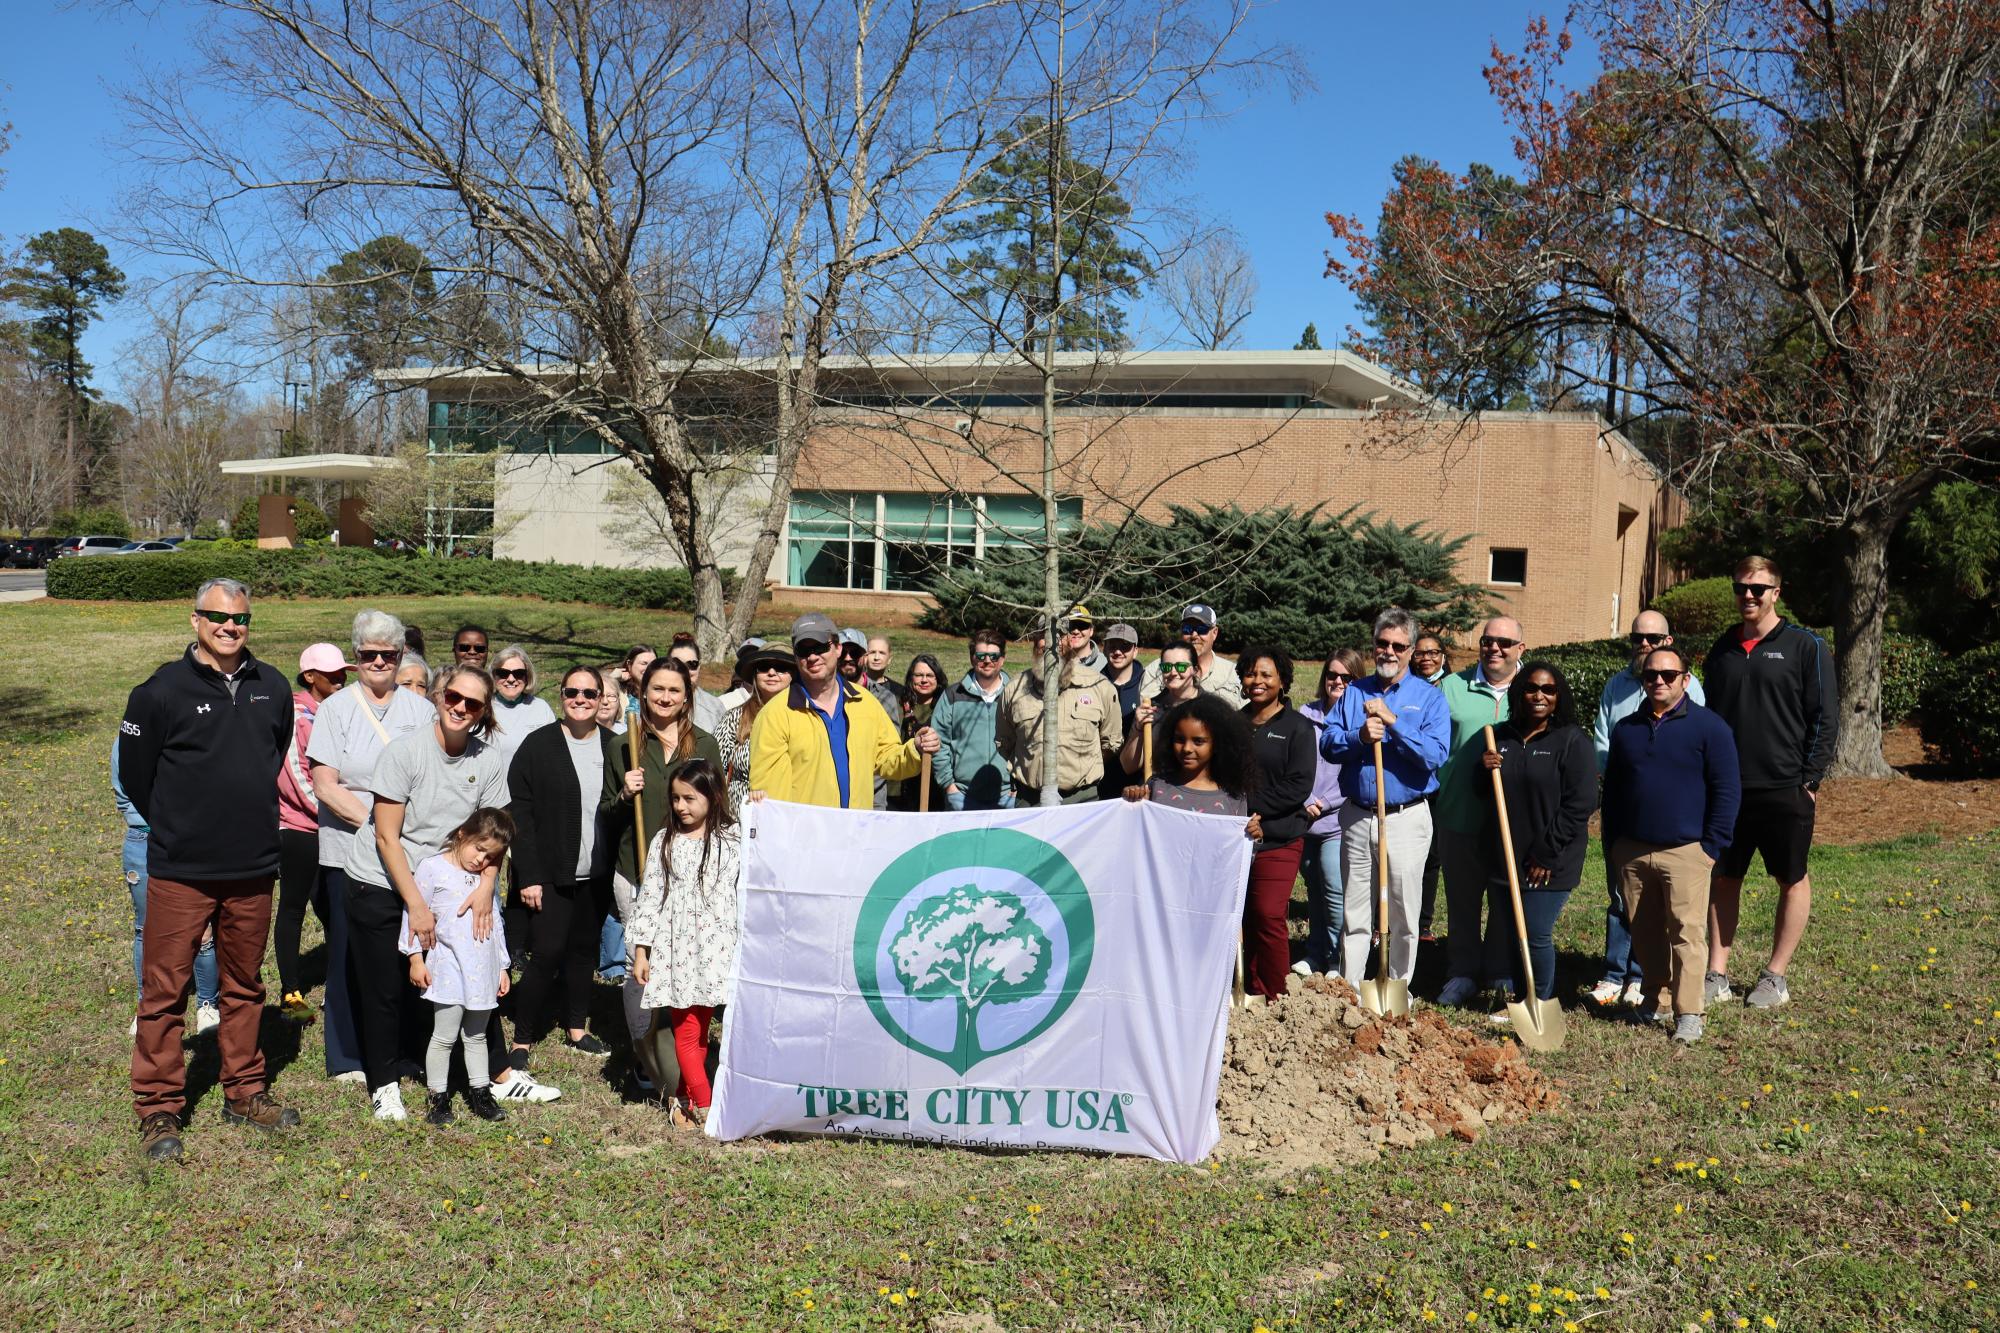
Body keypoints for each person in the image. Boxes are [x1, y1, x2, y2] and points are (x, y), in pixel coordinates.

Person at [121, 577, 300, 1161]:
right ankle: (159, 1106)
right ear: (194, 620)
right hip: (181, 869)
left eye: (241, 619)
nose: (230, 628)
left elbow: (271, 756)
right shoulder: (158, 691)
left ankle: (244, 1090)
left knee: (243, 985)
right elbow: (137, 775)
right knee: (164, 991)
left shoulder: (271, 687)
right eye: (218, 617)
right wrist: (179, 826)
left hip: (252, 866)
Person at [346, 662, 557, 1120]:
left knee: (477, 966)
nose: (460, 707)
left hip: (454, 880)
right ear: (440, 696)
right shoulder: (405, 752)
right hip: (384, 877)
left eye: (473, 703)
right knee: (386, 985)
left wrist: (486, 887)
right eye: (453, 697)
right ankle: (385, 1083)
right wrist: (416, 907)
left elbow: (499, 831)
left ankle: (497, 1075)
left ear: (484, 711)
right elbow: (387, 837)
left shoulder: (487, 760)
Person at [1702, 555, 1837, 1010]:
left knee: (1791, 878)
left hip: (1785, 788)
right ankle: (1716, 973)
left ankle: (1774, 976)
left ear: (1776, 592)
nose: (1749, 595)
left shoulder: (1806, 646)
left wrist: (1810, 779)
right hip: (1728, 789)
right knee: (1723, 878)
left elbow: (1825, 717)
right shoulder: (1721, 649)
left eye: (1759, 588)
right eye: (1741, 587)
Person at [307, 610, 435, 1084]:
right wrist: (380, 825)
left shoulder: (421, 711)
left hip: (407, 856)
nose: (379, 661)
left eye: (388, 654)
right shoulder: (336, 709)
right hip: (349, 851)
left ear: (401, 656)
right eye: (368, 654)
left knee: (404, 953)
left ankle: (403, 1049)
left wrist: (402, 835)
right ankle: (345, 1055)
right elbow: (325, 784)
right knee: (347, 953)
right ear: (355, 656)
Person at [1602, 646, 1741, 1044]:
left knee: (1686, 933)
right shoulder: (1627, 729)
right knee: (1643, 933)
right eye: (1650, 676)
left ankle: (1689, 1012)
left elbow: (1727, 790)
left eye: (1668, 674)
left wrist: (1711, 846)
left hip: (1687, 851)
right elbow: (1612, 792)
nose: (1658, 681)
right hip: (1632, 850)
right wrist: (1614, 844)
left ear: (1686, 678)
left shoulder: (1710, 728)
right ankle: (1655, 997)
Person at [1321, 608, 1451, 992]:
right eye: (1382, 643)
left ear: (1411, 651)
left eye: (1398, 645)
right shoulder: (1354, 693)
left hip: (1406, 819)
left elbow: (1434, 755)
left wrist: (1393, 722)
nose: (1389, 652)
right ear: (1373, 645)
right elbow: (1329, 742)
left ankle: (1396, 987)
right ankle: (1349, 988)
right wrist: (1360, 736)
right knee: (1356, 910)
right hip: (1359, 816)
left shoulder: (1429, 699)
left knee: (1404, 910)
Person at [604, 658, 722, 1067]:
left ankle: (683, 1048)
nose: (665, 698)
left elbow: (718, 809)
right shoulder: (624, 746)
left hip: (689, 874)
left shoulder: (705, 745)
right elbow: (605, 813)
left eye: (674, 690)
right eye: (658, 689)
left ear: (687, 696)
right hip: (636, 871)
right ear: (642, 692)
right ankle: (645, 1052)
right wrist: (623, 793)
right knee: (643, 962)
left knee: (682, 960)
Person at [1588, 610, 1707, 1008]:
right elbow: (1603, 742)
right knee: (1622, 893)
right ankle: (1614, 973)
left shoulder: (1692, 687)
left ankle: (1645, 976)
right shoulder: (1615, 687)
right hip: (1623, 808)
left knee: (1661, 902)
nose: (1644, 644)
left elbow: (1696, 744)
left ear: (1668, 641)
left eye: (1653, 638)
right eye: (1637, 637)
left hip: (1671, 816)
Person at [506, 666, 617, 1064]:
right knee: (548, 951)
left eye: (590, 693)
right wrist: (529, 875)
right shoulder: (538, 746)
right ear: (562, 696)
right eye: (573, 692)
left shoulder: (615, 745)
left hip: (596, 870)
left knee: (584, 951)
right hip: (551, 873)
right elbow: (520, 812)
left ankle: (575, 1026)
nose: (581, 699)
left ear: (602, 697)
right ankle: (522, 1037)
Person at [1477, 663, 1597, 1019]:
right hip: (1507, 855)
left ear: (1559, 697)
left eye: (1548, 690)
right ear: (1519, 694)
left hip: (1551, 858)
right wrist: (1482, 770)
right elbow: (1485, 795)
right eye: (1531, 688)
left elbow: (1582, 803)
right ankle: (1519, 997)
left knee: (1534, 930)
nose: (1539, 696)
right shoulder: (1499, 736)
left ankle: (1539, 1002)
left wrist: (1546, 853)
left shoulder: (1573, 742)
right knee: (1516, 930)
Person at [630, 759, 742, 1127]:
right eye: (676, 798)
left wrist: (761, 801)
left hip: (717, 949)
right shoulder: (665, 840)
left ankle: (686, 1098)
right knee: (686, 1028)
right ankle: (708, 1106)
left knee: (701, 1026)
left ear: (713, 796)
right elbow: (650, 896)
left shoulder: (735, 839)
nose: (681, 806)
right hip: (677, 947)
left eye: (690, 798)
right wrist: (642, 950)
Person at [1432, 618, 1528, 1007]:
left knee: (1506, 899)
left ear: (1521, 648)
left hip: (1515, 820)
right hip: (1461, 815)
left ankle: (1501, 970)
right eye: (1488, 641)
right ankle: (1462, 972)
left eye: (1505, 642)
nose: (1495, 648)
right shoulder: (1451, 689)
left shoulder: (1532, 689)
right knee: (1463, 899)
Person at [749, 613, 937, 807]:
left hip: (857, 831)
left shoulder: (865, 703)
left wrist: (915, 748)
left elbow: (887, 759)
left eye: (821, 647)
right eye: (803, 650)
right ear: (796, 656)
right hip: (805, 834)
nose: (812, 657)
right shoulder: (775, 715)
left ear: (838, 649)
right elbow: (771, 797)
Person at [401, 808, 515, 1126]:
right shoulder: (432, 868)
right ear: (463, 834)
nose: (481, 860)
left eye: (489, 856)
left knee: (476, 1035)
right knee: (445, 1036)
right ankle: (438, 1098)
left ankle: (480, 1093)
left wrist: (502, 966)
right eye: (479, 849)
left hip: (483, 968)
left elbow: (495, 922)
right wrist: (414, 958)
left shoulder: (484, 881)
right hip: (448, 966)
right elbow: (413, 915)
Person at [115, 737, 219, 1040]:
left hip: (192, 839)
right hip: (144, 839)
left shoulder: (191, 733)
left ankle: (207, 1004)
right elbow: (124, 791)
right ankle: (145, 1005)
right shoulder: (129, 737)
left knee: (202, 927)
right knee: (145, 928)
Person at [1236, 645, 1318, 1001]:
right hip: (1235, 836)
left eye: (1266, 674)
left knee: (1267, 914)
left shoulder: (1297, 727)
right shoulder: (1234, 724)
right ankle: (1245, 986)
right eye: (1251, 673)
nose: (1257, 681)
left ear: (1282, 680)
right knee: (1239, 918)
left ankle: (1277, 994)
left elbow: (1298, 786)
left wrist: (1256, 812)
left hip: (1279, 837)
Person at [275, 643, 349, 1016]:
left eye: (343, 673)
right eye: (332, 674)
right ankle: (291, 993)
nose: (341, 679)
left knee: (334, 906)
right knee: (293, 907)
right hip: (301, 829)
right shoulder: (296, 715)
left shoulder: (335, 711)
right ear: (310, 677)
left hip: (335, 826)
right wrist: (336, 811)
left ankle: (341, 979)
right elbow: (297, 780)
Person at [997, 621, 1122, 804]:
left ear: (1070, 640)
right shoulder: (1014, 690)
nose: (1049, 643)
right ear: (1034, 641)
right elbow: (1005, 743)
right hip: (1030, 800)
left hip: (1082, 800)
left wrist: (1079, 767)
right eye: (1042, 636)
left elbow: (1110, 743)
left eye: (1059, 636)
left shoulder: (1099, 687)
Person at [1294, 649, 1362, 977]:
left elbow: (1356, 771)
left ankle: (1339, 957)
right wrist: (1306, 798)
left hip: (1337, 819)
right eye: (1332, 675)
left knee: (1334, 888)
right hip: (1306, 817)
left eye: (1346, 677)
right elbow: (1295, 761)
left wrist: (1324, 802)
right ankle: (1315, 952)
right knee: (1314, 888)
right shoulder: (1306, 715)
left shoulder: (1360, 720)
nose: (1337, 681)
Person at [1121, 696, 1262, 835]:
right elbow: (1135, 835)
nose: (1187, 748)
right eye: (1180, 739)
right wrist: (1132, 802)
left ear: (1218, 744)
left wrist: (1252, 836)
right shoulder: (1156, 786)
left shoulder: (1234, 796)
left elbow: (1234, 851)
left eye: (1198, 741)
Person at [932, 630, 1014, 811]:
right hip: (962, 796)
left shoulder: (1015, 695)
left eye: (993, 656)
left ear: (1002, 659)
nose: (987, 661)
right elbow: (939, 743)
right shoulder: (953, 696)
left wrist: (1015, 789)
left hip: (1007, 797)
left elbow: (1025, 743)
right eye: (981, 655)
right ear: (972, 658)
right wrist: (949, 787)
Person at [717, 645, 794, 812]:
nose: (772, 672)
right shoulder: (734, 718)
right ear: (755, 675)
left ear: (793, 675)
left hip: (789, 817)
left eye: (781, 668)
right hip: (739, 821)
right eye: (764, 667)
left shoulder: (805, 718)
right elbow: (714, 770)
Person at [1410, 632, 1448, 939]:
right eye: (1421, 653)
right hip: (1410, 781)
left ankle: (1423, 922)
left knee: (1431, 856)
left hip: (1442, 783)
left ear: (1443, 656)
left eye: (1433, 652)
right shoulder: (1403, 688)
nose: (1427, 658)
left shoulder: (1450, 688)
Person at [1119, 643, 1201, 779]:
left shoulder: (1211, 709)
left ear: (1195, 670)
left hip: (1196, 794)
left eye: (1181, 667)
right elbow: (1129, 767)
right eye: (1167, 667)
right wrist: (1137, 729)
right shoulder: (1150, 709)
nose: (1173, 672)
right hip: (1157, 793)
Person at [1141, 603, 1243, 706]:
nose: (1194, 635)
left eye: (1202, 629)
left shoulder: (1233, 673)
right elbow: (1148, 711)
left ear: (1215, 633)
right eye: (1188, 629)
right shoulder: (1156, 670)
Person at [890, 653, 949, 811]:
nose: (924, 680)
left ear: (938, 679)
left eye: (930, 675)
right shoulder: (898, 703)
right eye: (919, 675)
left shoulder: (947, 706)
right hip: (903, 785)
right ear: (911, 678)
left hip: (937, 785)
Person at [1095, 623, 1144, 800]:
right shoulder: (1093, 685)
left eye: (1125, 647)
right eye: (1113, 646)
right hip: (1101, 780)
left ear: (1135, 650)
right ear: (1104, 648)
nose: (1118, 652)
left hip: (1137, 783)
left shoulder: (1147, 686)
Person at [488, 645, 555, 762]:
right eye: (503, 673)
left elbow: (554, 751)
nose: (511, 679)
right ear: (494, 676)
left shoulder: (541, 708)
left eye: (518, 673)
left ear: (527, 676)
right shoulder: (482, 709)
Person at [668, 632, 725, 733]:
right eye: (678, 664)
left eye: (692, 664)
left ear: (699, 667)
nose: (685, 670)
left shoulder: (714, 706)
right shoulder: (655, 702)